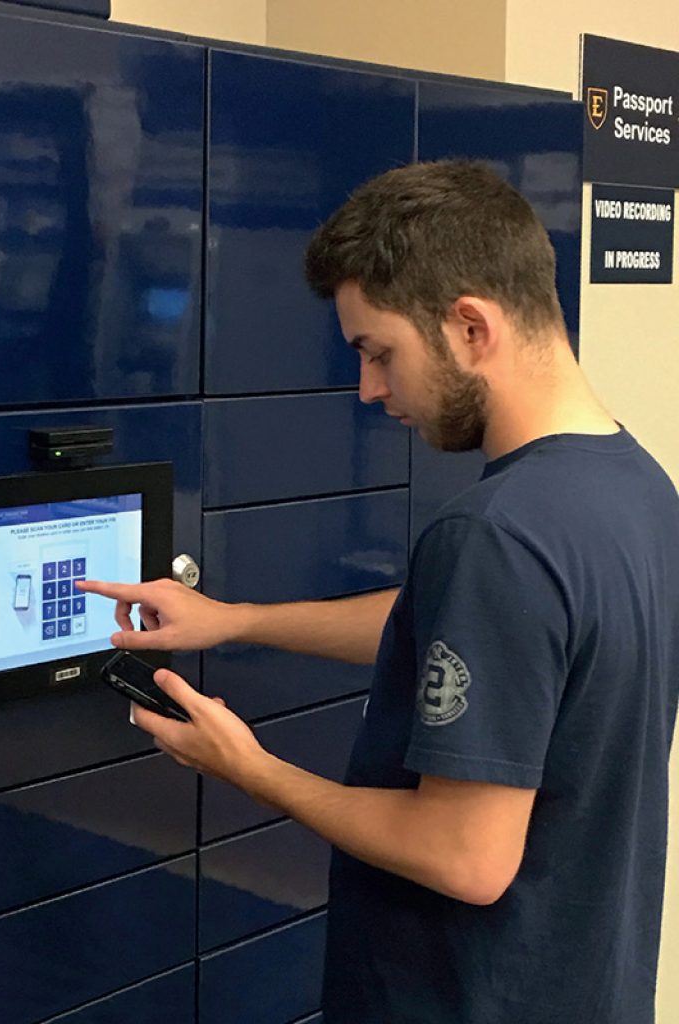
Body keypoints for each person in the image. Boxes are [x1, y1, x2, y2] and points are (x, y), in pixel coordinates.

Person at [77, 160, 679, 1023]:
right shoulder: (634, 486)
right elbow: (471, 633)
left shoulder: (495, 533)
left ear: (471, 326)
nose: (369, 389)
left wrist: (250, 769)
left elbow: (466, 857)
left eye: (378, 352)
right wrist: (235, 620)